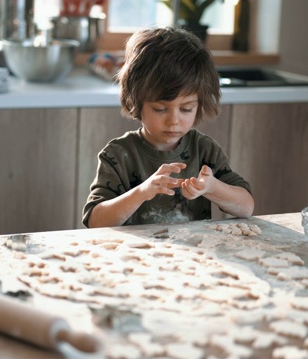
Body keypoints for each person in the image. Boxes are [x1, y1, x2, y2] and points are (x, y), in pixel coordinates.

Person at [82, 27, 254, 228]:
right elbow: (95, 222)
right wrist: (141, 192)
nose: (174, 120)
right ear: (136, 102)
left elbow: (246, 207)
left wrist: (212, 187)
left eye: (186, 109)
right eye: (160, 109)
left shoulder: (205, 150)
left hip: (195, 255)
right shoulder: (118, 155)